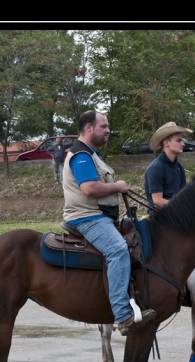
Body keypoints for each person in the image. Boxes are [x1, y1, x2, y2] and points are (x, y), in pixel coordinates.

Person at [63, 110, 155, 336]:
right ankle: (123, 316)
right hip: (87, 217)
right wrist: (118, 186)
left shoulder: (92, 154)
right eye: (103, 126)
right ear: (88, 128)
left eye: (107, 126)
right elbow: (89, 188)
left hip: (99, 216)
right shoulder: (81, 155)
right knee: (117, 249)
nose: (108, 130)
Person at [143, 122, 191, 215]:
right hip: (160, 217)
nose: (183, 144)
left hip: (177, 213)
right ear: (166, 143)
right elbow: (157, 201)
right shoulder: (155, 168)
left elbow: (183, 194)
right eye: (179, 140)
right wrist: (181, 206)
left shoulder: (179, 167)